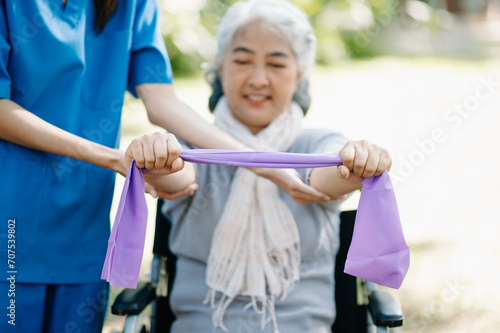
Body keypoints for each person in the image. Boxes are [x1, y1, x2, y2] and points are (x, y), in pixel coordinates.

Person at [0, 0, 329, 332]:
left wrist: (264, 166)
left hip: (84, 224)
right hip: (11, 223)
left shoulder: (130, 4)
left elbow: (161, 100)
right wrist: (110, 156)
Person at [125, 0, 392, 332]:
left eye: (276, 64)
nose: (258, 79)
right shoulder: (188, 146)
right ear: (219, 68)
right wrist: (157, 158)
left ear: (300, 75)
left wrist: (356, 167)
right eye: (242, 61)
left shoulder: (319, 145)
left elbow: (325, 180)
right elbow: (174, 175)